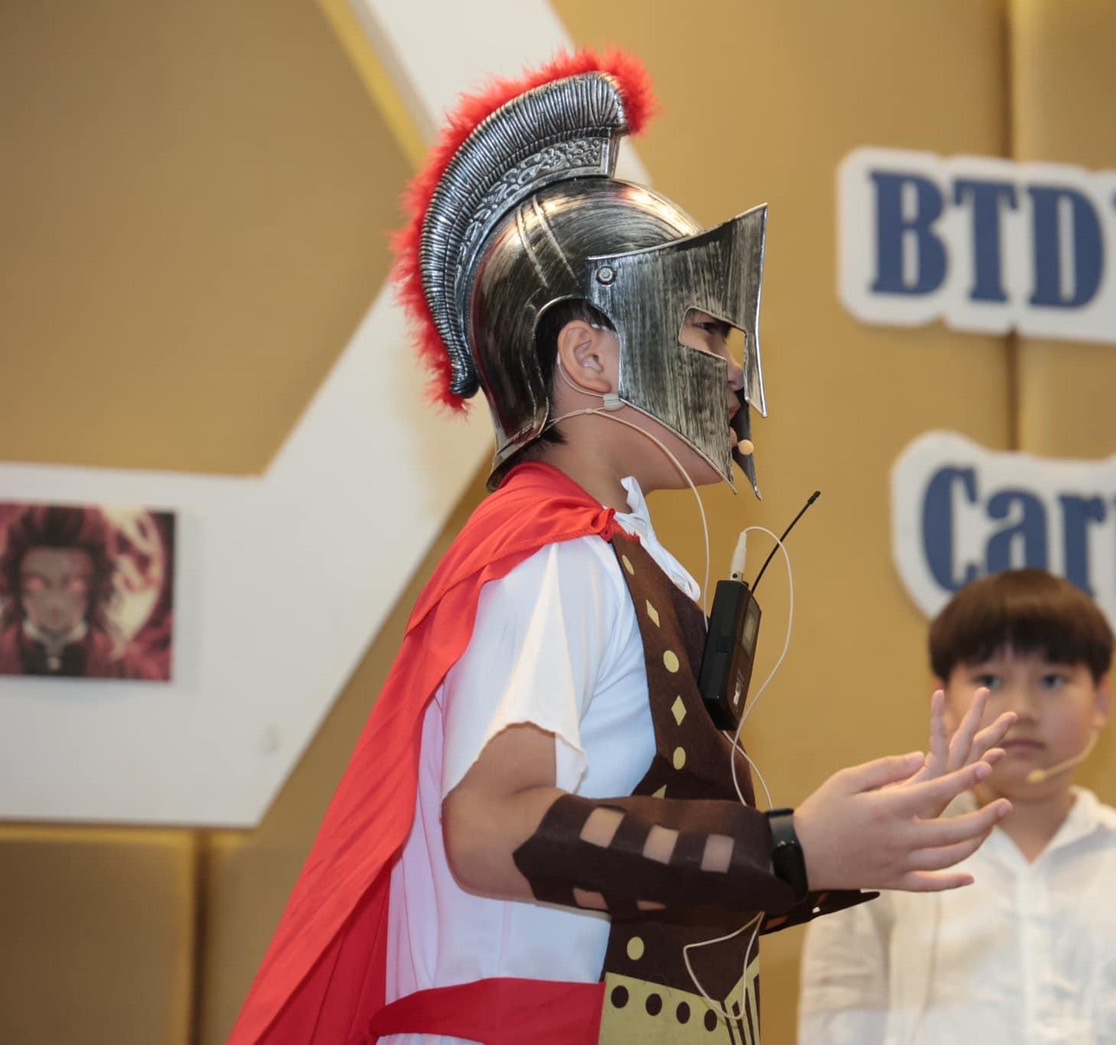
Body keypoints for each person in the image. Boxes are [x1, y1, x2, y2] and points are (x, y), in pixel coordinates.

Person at [231, 50, 1013, 1045]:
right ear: (588, 353)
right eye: (706, 332)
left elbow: (631, 884)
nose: (733, 374)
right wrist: (787, 847)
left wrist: (836, 846)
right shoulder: (552, 557)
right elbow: (493, 829)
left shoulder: (608, 553)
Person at [798, 569, 1116, 1044]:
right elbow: (833, 1024)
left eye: (1052, 679)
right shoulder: (882, 860)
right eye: (990, 679)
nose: (1022, 708)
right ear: (944, 702)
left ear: (1101, 701)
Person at [0, 505, 129, 678]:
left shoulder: (130, 670)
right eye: (38, 584)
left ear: (95, 587)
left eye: (73, 585)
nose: (55, 601)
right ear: (16, 584)